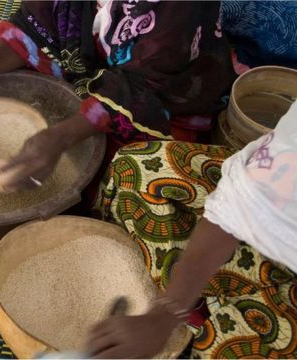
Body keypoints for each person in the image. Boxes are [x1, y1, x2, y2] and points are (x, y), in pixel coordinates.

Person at [0, 1, 235, 192]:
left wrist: (60, 137)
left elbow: (150, 86)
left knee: (136, 173)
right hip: (86, 51)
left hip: (162, 88)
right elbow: (39, 21)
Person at [86, 102, 297, 358]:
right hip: (270, 202)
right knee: (134, 169)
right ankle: (203, 302)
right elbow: (238, 203)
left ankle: (217, 309)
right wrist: (166, 312)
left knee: (225, 349)